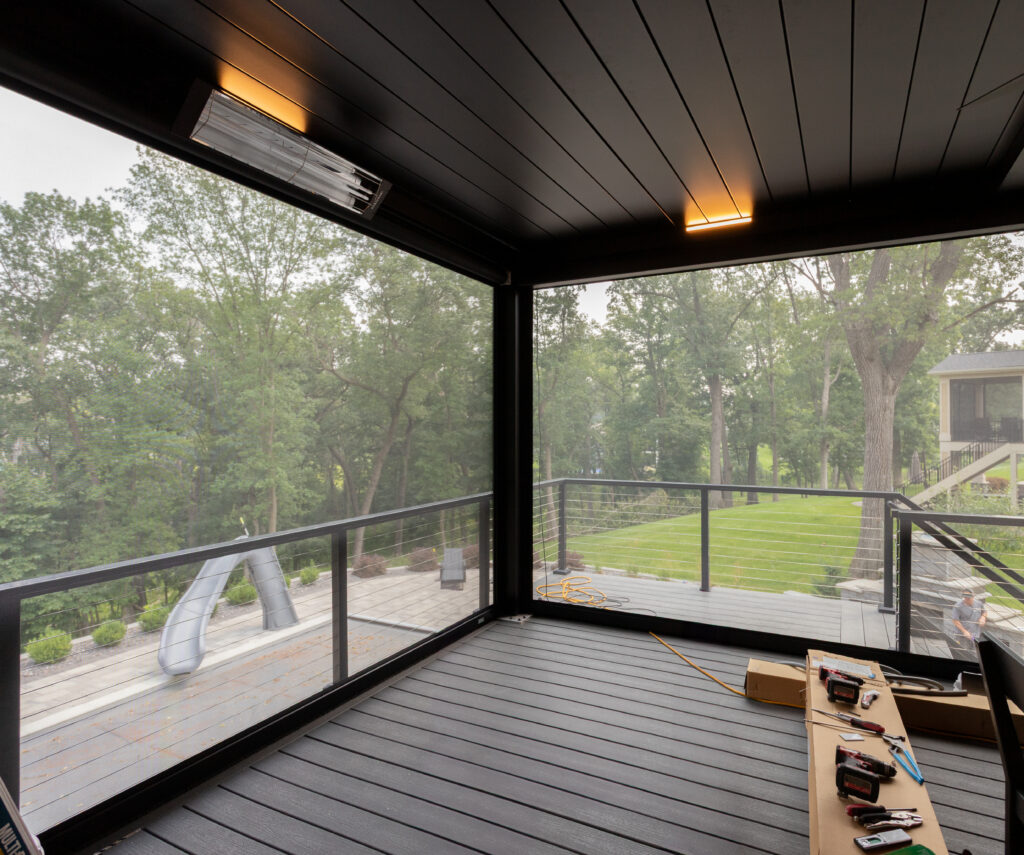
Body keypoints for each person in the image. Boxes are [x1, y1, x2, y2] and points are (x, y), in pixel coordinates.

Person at [950, 590, 987, 655]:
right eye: (965, 597)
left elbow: (984, 612)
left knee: (975, 653)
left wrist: (983, 617)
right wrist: (964, 631)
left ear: (973, 596)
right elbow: (955, 620)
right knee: (963, 654)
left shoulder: (978, 604)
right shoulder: (958, 606)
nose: (966, 599)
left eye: (968, 597)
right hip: (962, 636)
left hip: (974, 635)